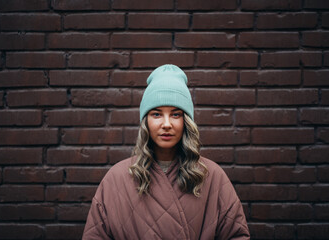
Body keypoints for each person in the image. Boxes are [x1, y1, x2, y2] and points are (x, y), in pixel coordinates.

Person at [82, 64, 250, 239]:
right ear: (145, 121)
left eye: (176, 114)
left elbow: (236, 235)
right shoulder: (116, 179)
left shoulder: (212, 176)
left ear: (186, 121)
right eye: (156, 114)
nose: (167, 124)